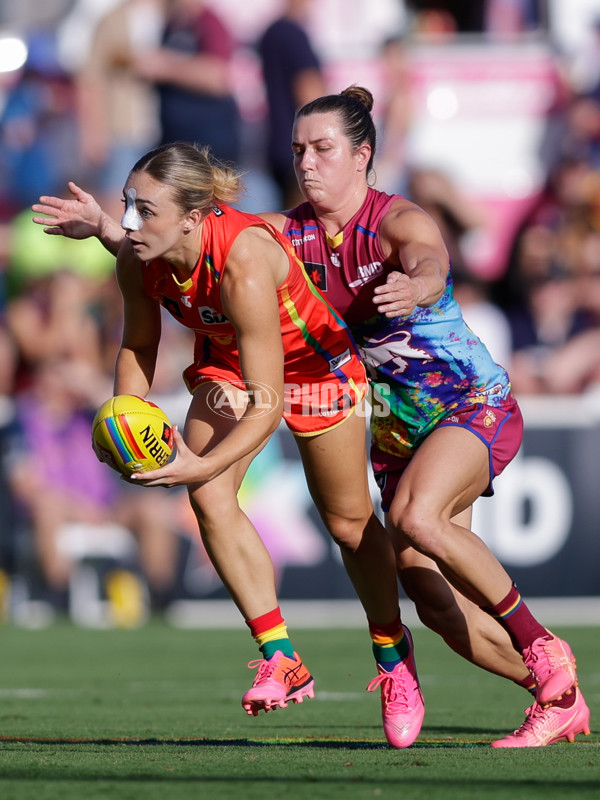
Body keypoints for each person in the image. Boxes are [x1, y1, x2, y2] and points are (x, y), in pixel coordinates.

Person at [30, 92, 589, 748]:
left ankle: (542, 652)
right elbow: (177, 238)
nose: (306, 162)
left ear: (363, 156)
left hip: (450, 402)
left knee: (394, 522)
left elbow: (428, 257)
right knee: (430, 597)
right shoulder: (279, 232)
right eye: (297, 150)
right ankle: (548, 696)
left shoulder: (391, 220)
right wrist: (108, 228)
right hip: (384, 420)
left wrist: (423, 284)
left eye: (322, 148)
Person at [33, 141, 424, 745]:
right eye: (126, 206)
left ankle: (393, 655)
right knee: (209, 498)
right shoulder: (138, 255)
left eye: (145, 210)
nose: (130, 222)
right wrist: (123, 421)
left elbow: (267, 404)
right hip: (230, 365)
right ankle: (281, 659)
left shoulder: (244, 261)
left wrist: (197, 461)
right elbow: (139, 345)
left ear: (193, 216)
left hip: (313, 370)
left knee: (348, 526)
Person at [132, 0, 241, 165]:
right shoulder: (173, 24)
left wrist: (165, 67)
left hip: (208, 143)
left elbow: (217, 77)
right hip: (175, 139)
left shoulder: (209, 23)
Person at [257, 0, 327, 208]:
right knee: (304, 228)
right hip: (303, 147)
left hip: (279, 145)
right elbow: (312, 99)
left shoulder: (271, 32)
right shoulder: (293, 34)